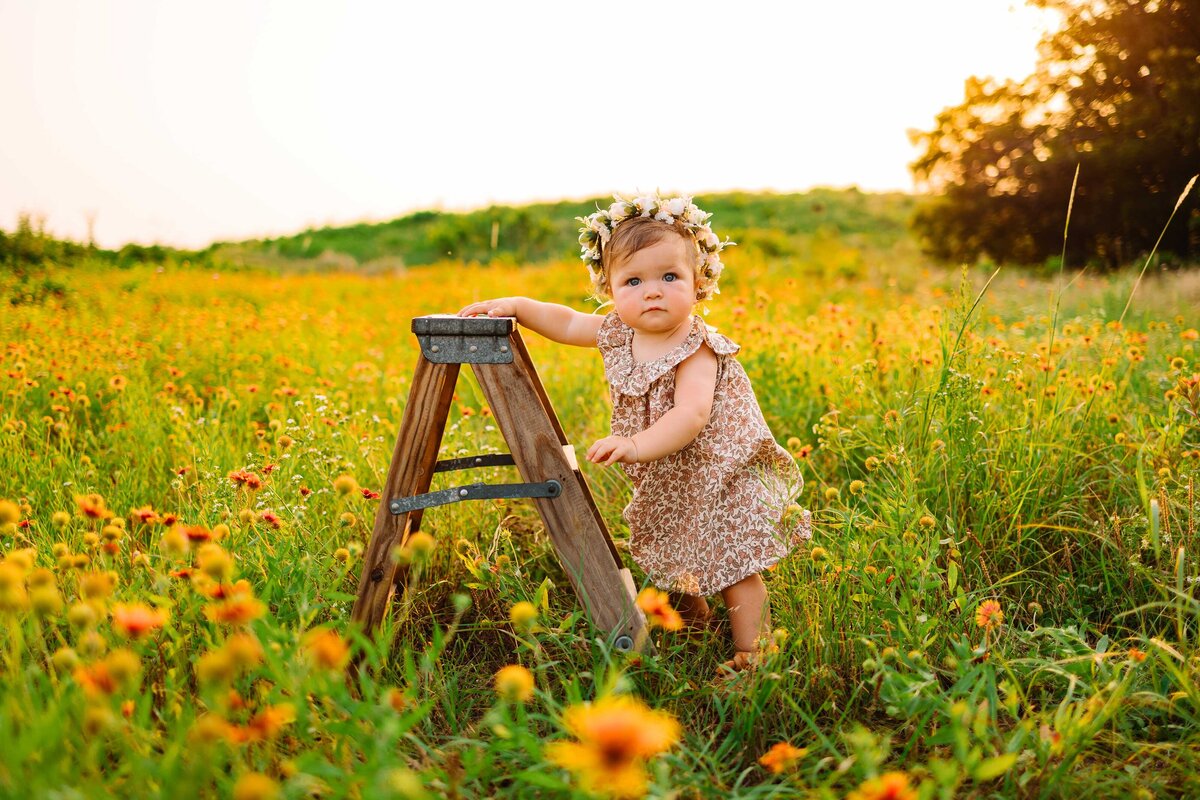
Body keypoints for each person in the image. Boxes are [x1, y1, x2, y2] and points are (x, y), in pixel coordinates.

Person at [458, 193, 811, 672]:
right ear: (609, 286)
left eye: (670, 277)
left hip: (725, 471)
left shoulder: (696, 346)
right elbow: (564, 321)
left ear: (699, 283)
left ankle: (754, 653)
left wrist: (635, 444)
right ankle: (697, 622)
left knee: (734, 563)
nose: (652, 291)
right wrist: (517, 306)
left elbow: (691, 415)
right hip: (678, 474)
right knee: (678, 543)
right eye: (633, 280)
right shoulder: (619, 332)